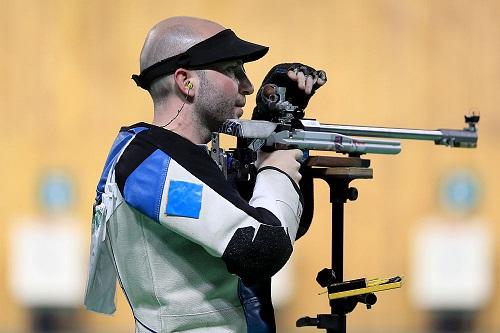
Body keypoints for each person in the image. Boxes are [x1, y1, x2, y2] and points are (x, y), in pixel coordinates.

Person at [84, 16, 326, 333]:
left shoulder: (183, 158)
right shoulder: (150, 164)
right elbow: (263, 247)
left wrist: (272, 121)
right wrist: (273, 170)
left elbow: (279, 223)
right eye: (232, 70)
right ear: (186, 81)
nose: (248, 86)